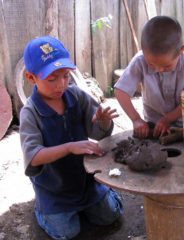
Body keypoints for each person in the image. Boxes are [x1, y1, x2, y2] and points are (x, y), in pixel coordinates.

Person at [20, 36, 123, 239]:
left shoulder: (76, 95)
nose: (61, 84)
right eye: (52, 79)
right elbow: (33, 157)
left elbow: (98, 133)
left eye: (66, 76)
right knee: (67, 232)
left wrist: (102, 123)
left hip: (83, 179)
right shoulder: (30, 113)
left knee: (110, 215)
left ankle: (97, 197)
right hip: (53, 188)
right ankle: (42, 208)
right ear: (31, 78)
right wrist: (69, 147)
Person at [114, 16, 184, 139]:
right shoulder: (140, 60)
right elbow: (120, 91)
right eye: (151, 64)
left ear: (181, 51)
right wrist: (136, 119)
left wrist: (167, 119)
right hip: (152, 125)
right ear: (143, 51)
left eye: (166, 66)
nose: (158, 69)